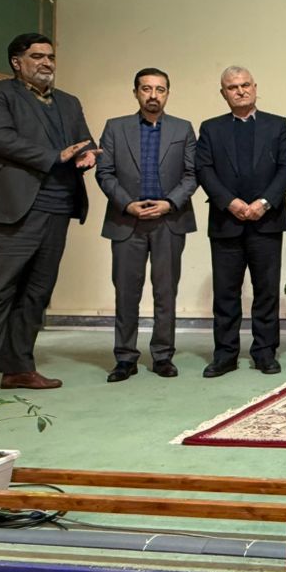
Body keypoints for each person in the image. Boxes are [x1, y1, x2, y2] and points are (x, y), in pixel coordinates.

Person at [0, 32, 98, 389]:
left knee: (36, 293)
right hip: (7, 207)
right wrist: (55, 156)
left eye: (50, 57)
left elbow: (84, 140)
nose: (46, 63)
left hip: (57, 206)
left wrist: (87, 154)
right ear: (16, 62)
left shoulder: (68, 102)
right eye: (37, 56)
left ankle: (18, 368)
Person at [95, 68, 197, 382]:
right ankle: (125, 358)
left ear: (168, 93)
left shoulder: (183, 128)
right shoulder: (115, 127)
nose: (153, 95)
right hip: (127, 220)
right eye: (146, 89)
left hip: (169, 221)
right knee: (126, 293)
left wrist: (170, 203)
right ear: (136, 92)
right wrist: (127, 204)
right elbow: (104, 172)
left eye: (160, 89)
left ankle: (163, 356)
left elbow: (192, 174)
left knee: (166, 292)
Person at [194, 66, 286, 377]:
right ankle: (225, 355)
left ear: (255, 87)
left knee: (266, 291)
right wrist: (231, 202)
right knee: (226, 293)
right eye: (233, 87)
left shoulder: (277, 125)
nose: (240, 91)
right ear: (223, 93)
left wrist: (264, 202)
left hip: (267, 220)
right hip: (226, 221)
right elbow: (204, 169)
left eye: (245, 84)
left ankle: (265, 353)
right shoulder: (210, 128)